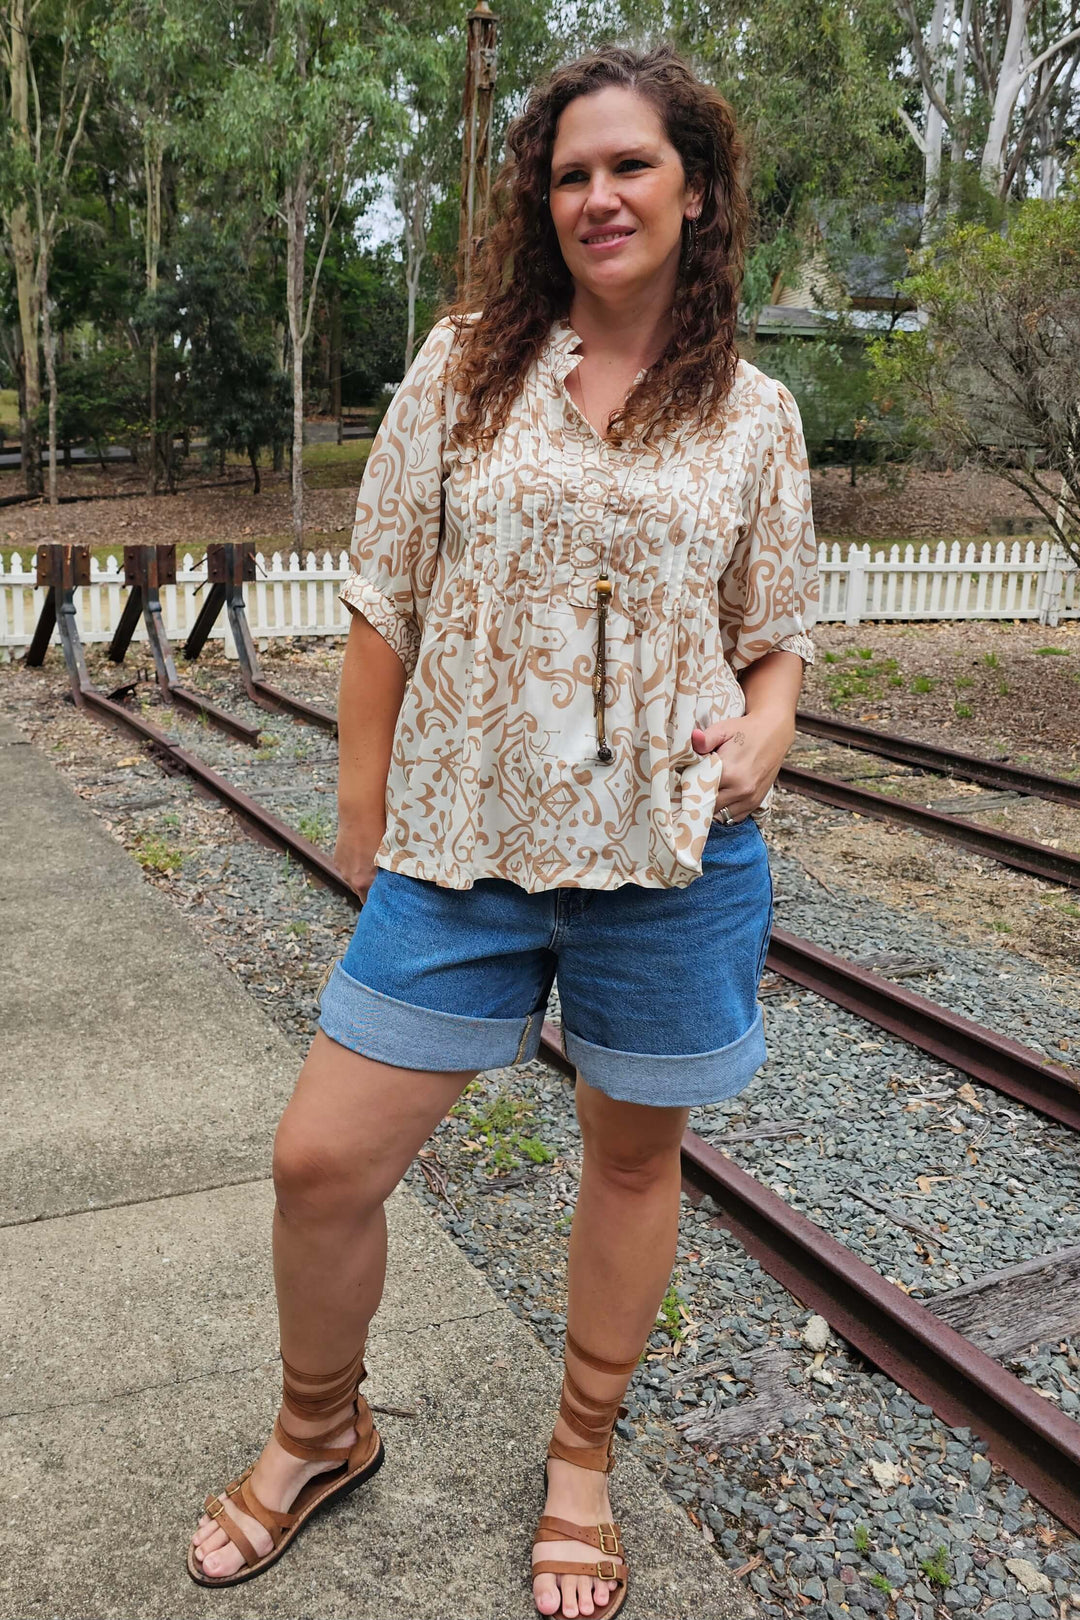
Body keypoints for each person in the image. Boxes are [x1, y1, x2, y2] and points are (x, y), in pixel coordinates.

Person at [187, 39, 818, 1620]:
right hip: (461, 846)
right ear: (544, 200)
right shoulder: (468, 365)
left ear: (695, 191)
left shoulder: (754, 414)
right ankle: (320, 1431)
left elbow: (775, 637)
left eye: (631, 165)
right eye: (570, 173)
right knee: (320, 1162)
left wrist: (768, 731)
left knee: (631, 1163)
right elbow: (382, 595)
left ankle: (582, 1460)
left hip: (669, 859)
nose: (599, 195)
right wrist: (363, 807)